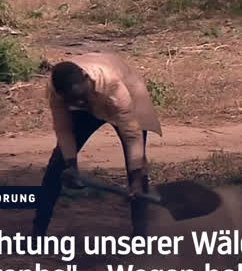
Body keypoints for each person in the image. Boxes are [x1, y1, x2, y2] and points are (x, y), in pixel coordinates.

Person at [32, 52, 162, 237]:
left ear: (87, 80)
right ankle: (37, 234)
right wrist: (71, 165)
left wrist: (135, 181)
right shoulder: (57, 92)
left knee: (138, 171)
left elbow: (132, 137)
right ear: (62, 95)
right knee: (56, 167)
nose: (80, 102)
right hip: (85, 101)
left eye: (82, 96)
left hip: (125, 95)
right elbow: (64, 131)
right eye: (73, 100)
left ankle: (141, 237)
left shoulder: (114, 86)